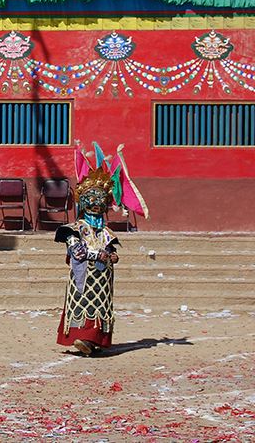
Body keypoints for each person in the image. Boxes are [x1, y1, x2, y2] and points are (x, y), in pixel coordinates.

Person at [55, 143, 148, 356]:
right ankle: (82, 338)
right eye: (91, 199)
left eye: (100, 200)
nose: (96, 203)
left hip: (103, 279)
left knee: (102, 307)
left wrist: (112, 256)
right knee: (82, 305)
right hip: (83, 278)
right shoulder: (73, 229)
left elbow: (110, 250)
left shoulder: (106, 231)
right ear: (84, 202)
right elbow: (77, 252)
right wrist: (99, 254)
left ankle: (97, 340)